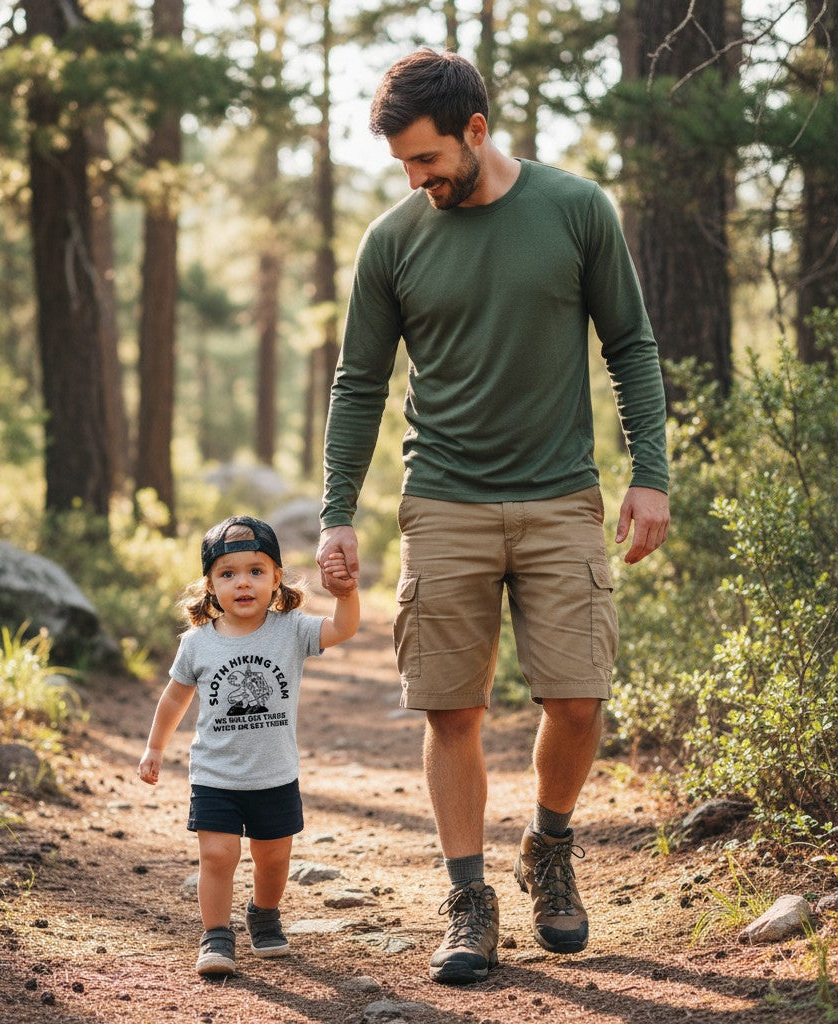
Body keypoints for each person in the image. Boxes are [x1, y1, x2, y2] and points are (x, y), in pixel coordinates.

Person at [316, 48, 670, 985]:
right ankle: (469, 897)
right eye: (403, 165)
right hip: (442, 500)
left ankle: (548, 847)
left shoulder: (575, 209)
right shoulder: (392, 241)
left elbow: (629, 344)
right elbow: (359, 384)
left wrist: (651, 474)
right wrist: (336, 511)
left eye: (427, 159)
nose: (416, 178)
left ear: (476, 131)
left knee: (579, 699)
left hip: (561, 494)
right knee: (452, 708)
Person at [138, 515, 359, 977]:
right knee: (217, 855)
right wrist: (156, 747)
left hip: (275, 774)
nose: (243, 583)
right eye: (228, 574)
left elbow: (341, 630)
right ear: (210, 585)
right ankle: (216, 934)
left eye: (256, 571)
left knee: (273, 858)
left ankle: (264, 913)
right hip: (215, 775)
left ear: (276, 577)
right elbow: (175, 697)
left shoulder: (291, 630)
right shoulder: (197, 643)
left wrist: (346, 595)